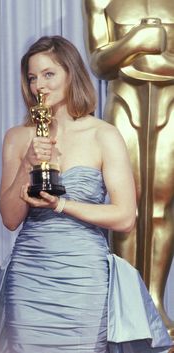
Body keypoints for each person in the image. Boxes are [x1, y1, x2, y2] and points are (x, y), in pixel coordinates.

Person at [0, 36, 172, 353]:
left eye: (49, 74)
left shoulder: (103, 134)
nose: (39, 85)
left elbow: (124, 217)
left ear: (71, 73)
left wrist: (62, 204)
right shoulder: (17, 137)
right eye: (32, 77)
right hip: (29, 276)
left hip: (84, 277)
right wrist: (28, 162)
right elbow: (10, 219)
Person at [82, 0, 174, 337]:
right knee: (126, 203)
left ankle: (155, 301)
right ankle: (127, 304)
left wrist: (142, 59)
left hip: (171, 103)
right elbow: (99, 62)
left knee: (163, 205)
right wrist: (137, 42)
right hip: (125, 99)